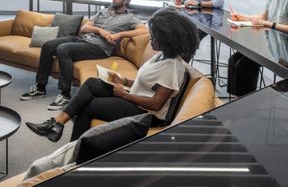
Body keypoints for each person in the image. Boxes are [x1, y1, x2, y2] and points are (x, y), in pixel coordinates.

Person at [25, 9, 199, 143]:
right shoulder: (161, 56)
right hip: (135, 98)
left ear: (169, 39)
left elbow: (156, 103)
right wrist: (123, 80)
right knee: (93, 82)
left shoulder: (171, 66)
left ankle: (72, 149)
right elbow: (147, 84)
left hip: (145, 114)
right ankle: (57, 123)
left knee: (89, 106)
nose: (150, 38)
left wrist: (124, 93)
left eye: (154, 37)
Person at [20, 0, 148, 110]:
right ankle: (40, 87)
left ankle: (65, 95)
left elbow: (144, 30)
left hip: (98, 48)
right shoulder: (103, 11)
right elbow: (84, 28)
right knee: (48, 45)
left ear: (125, 0)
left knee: (63, 49)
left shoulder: (130, 18)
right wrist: (100, 31)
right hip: (82, 39)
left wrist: (120, 34)